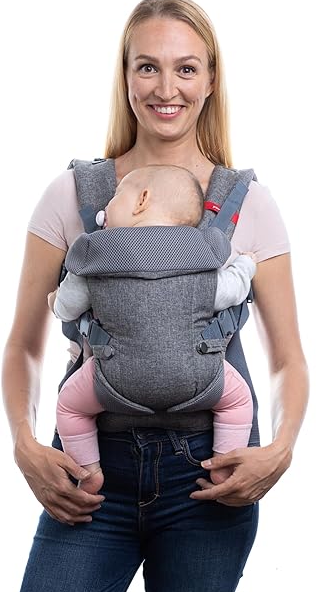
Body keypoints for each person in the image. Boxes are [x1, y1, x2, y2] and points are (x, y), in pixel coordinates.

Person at [2, 0, 309, 592]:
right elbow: (24, 344)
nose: (166, 88)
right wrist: (25, 444)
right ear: (125, 76)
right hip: (90, 474)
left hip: (210, 475)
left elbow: (287, 359)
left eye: (186, 68)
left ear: (211, 80)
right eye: (148, 67)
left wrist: (280, 449)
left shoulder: (248, 203)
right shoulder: (74, 194)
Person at [50, 163, 257, 495]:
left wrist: (55, 301)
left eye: (116, 197)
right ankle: (223, 466)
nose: (105, 210)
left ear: (141, 200)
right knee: (238, 401)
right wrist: (246, 265)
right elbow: (232, 290)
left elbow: (67, 308)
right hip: (198, 377)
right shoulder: (201, 254)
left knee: (69, 406)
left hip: (115, 381)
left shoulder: (96, 255)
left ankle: (89, 472)